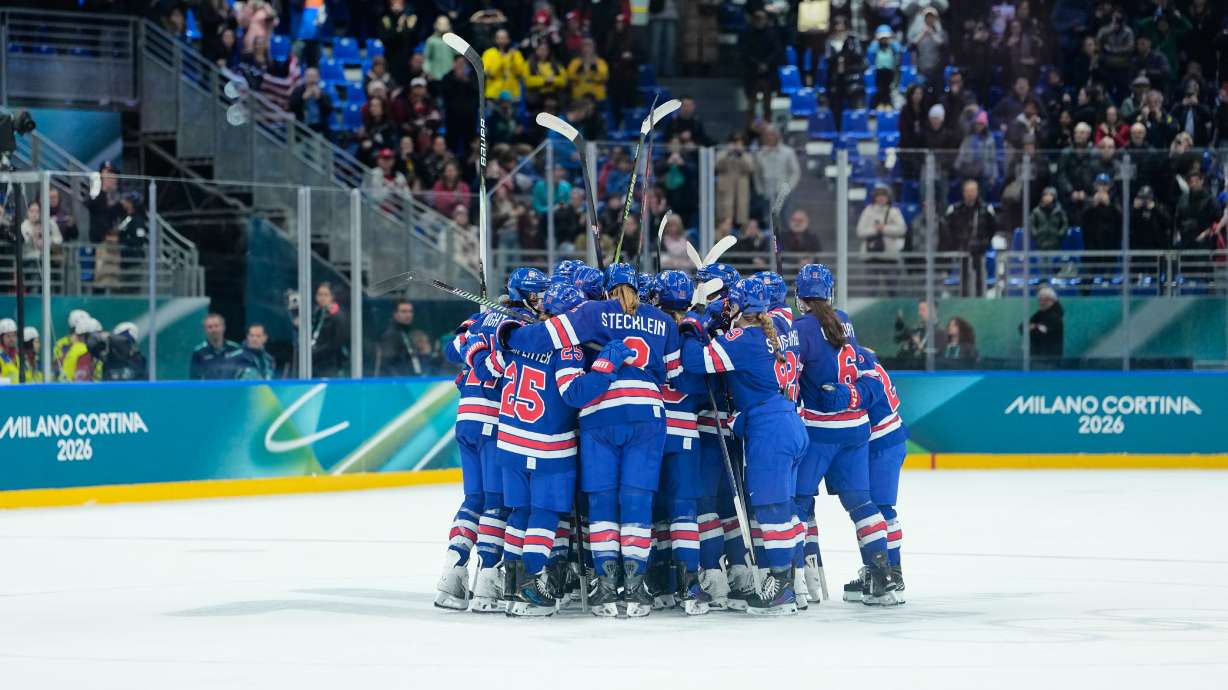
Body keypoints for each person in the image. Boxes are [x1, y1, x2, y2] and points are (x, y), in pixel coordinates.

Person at [502, 263, 680, 618]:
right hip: (648, 414)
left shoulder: (593, 311)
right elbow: (673, 375)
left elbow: (540, 339)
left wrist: (509, 334)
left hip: (602, 413)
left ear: (606, 290)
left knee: (601, 502)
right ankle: (635, 588)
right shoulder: (664, 321)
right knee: (637, 500)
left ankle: (605, 588)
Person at [470, 282, 618, 617]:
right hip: (549, 445)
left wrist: (480, 343)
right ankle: (533, 584)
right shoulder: (568, 350)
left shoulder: (518, 340)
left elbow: (486, 372)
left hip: (509, 441)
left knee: (519, 513)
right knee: (545, 515)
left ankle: (511, 587)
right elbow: (574, 394)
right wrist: (606, 368)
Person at [680, 276, 808, 615]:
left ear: (738, 306)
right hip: (789, 419)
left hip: (770, 428)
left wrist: (694, 323)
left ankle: (779, 588)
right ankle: (793, 582)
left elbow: (695, 361)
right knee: (787, 508)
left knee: (770, 507)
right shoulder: (776, 328)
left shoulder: (743, 338)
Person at [793, 264, 899, 607]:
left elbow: (788, 372)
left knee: (798, 502)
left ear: (800, 297)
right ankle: (882, 575)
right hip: (855, 430)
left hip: (820, 431)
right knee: (863, 504)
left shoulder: (802, 328)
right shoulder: (843, 321)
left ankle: (796, 581)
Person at [816, 346, 908, 602]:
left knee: (880, 509)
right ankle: (877, 571)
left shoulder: (851, 359)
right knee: (873, 509)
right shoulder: (860, 356)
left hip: (882, 442)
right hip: (887, 439)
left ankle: (892, 574)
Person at [940, 180, 998, 296]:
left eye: (973, 190)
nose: (970, 194)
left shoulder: (986, 209)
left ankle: (980, 299)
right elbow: (947, 229)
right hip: (963, 250)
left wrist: (985, 242)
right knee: (964, 278)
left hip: (980, 250)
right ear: (963, 192)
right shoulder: (954, 209)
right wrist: (956, 243)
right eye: (968, 191)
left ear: (977, 192)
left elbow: (993, 228)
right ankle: (964, 300)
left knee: (980, 277)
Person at [953, 110, 999, 193]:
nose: (979, 126)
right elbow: (962, 153)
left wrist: (993, 176)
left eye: (981, 124)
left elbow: (992, 159)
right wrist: (957, 167)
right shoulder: (968, 137)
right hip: (968, 172)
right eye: (977, 123)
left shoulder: (990, 139)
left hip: (983, 173)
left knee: (981, 197)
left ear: (985, 125)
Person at [310, 282, 349, 378]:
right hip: (315, 363)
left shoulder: (338, 316)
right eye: (319, 294)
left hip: (331, 365)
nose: (322, 298)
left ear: (332, 297)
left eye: (326, 295)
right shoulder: (316, 314)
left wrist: (316, 352)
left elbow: (336, 343)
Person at [856, 184, 907, 256]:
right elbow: (860, 232)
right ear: (875, 197)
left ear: (888, 197)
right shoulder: (867, 211)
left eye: (884, 195)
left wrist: (884, 228)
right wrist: (876, 229)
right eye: (878, 195)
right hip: (870, 255)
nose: (881, 198)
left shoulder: (894, 211)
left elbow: (902, 229)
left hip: (890, 255)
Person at [375, 299, 422, 376]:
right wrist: (401, 382)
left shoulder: (406, 333)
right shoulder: (391, 335)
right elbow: (389, 364)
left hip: (411, 382)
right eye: (404, 311)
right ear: (395, 314)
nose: (408, 315)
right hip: (400, 384)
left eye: (410, 311)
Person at [189, 313, 241, 380]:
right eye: (210, 327)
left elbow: (242, 374)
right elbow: (194, 379)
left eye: (216, 326)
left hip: (232, 389)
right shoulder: (199, 352)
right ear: (205, 330)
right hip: (208, 390)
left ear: (223, 327)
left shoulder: (236, 349)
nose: (214, 330)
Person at [480, 29, 527, 101]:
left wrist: (513, 60)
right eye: (500, 38)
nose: (502, 41)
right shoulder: (488, 53)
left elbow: (520, 73)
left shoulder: (516, 53)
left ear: (509, 39)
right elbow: (488, 73)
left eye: (505, 38)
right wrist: (500, 59)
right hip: (494, 95)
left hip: (512, 94)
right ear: (496, 40)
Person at [288, 67, 333, 139]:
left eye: (313, 76)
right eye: (309, 76)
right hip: (301, 128)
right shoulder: (298, 90)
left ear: (318, 78)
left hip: (318, 129)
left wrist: (319, 98)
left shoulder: (323, 91)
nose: (311, 79)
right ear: (305, 77)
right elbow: (291, 107)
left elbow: (329, 110)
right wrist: (303, 98)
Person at [1025, 286, 1064, 359]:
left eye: (1045, 300)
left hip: (1050, 359)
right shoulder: (1040, 314)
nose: (1042, 302)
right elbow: (1022, 327)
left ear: (1053, 301)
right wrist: (1038, 326)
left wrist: (1033, 326)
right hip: (1038, 356)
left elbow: (1037, 333)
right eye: (1040, 300)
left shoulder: (1055, 317)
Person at [566, 38, 608, 103]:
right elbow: (570, 77)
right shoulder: (575, 62)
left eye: (589, 46)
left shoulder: (600, 62)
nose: (587, 49)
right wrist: (579, 71)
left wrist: (595, 70)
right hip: (579, 96)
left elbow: (603, 77)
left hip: (597, 97)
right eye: (584, 46)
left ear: (594, 48)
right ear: (581, 48)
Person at [1029, 186, 1068, 250]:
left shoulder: (1059, 211)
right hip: (1040, 244)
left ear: (1054, 197)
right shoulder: (1036, 211)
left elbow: (1064, 224)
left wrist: (1060, 234)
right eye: (1045, 195)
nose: (1047, 197)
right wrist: (1035, 234)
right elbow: (1031, 225)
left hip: (1055, 244)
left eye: (1050, 195)